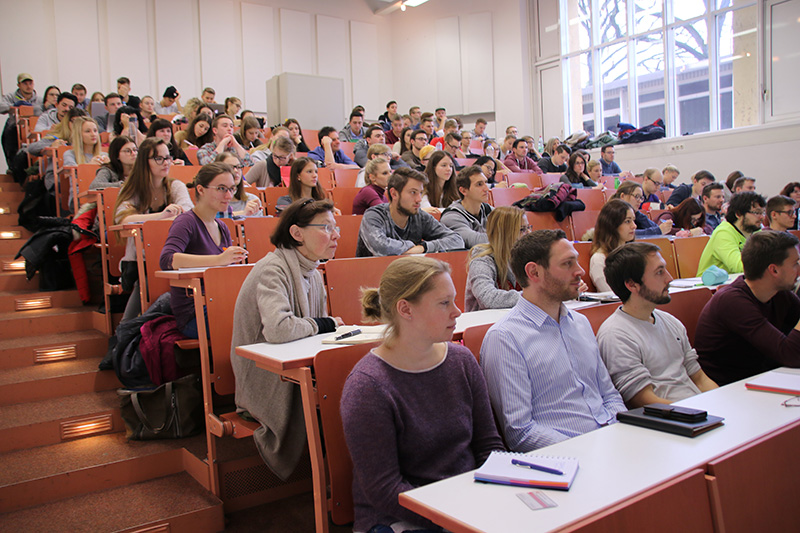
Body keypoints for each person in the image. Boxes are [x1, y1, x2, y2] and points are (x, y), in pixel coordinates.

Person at [342, 256, 504, 533]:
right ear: (405, 309)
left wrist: (492, 498)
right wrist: (456, 520)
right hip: (401, 516)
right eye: (444, 303)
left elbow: (489, 446)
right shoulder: (368, 386)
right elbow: (384, 489)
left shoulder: (461, 360)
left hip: (466, 504)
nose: (457, 311)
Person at [481, 229, 625, 451]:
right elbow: (520, 432)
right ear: (534, 272)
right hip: (566, 459)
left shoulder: (581, 323)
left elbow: (610, 396)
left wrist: (619, 434)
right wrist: (588, 449)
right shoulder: (505, 338)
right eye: (568, 264)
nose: (580, 271)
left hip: (612, 442)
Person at [598, 242, 718, 407]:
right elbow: (644, 401)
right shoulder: (616, 335)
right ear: (632, 285)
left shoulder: (670, 321)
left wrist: (722, 403)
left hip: (698, 410)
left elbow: (700, 379)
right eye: (659, 272)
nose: (669, 278)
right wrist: (698, 413)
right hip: (673, 421)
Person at [696, 231, 800, 386]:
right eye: (795, 263)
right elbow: (789, 354)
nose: (798, 269)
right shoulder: (732, 302)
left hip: (761, 379)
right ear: (774, 270)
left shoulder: (779, 293)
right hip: (727, 391)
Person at [159, 162, 248, 337]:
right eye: (222, 188)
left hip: (218, 303)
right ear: (200, 189)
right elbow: (167, 260)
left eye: (232, 189)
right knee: (252, 322)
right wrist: (219, 260)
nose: (229, 195)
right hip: (194, 313)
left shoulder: (222, 226)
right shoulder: (186, 222)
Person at [113, 138, 193, 321]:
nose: (166, 163)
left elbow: (187, 215)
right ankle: (127, 333)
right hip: (140, 260)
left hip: (176, 255)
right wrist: (159, 217)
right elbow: (122, 218)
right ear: (144, 162)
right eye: (159, 159)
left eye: (168, 157)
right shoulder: (132, 188)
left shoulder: (175, 186)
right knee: (147, 280)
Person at [356, 167, 464, 257]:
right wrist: (411, 246)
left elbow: (457, 240)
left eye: (420, 193)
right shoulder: (373, 216)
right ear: (394, 194)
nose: (419, 199)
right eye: (413, 192)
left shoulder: (419, 216)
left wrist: (423, 247)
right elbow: (380, 247)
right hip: (371, 278)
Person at [465, 206, 528, 311]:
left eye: (529, 227)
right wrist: (532, 297)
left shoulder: (527, 255)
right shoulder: (482, 260)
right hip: (486, 323)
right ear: (504, 233)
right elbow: (487, 297)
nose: (529, 234)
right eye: (522, 230)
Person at [696, 191, 766, 276]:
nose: (762, 217)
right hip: (713, 286)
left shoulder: (756, 230)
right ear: (739, 214)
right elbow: (740, 267)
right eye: (757, 213)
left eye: (763, 212)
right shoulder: (724, 233)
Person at [590, 199, 637, 292]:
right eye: (627, 221)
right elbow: (612, 294)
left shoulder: (634, 253)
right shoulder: (599, 259)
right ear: (612, 225)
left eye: (633, 220)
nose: (634, 226)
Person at [441, 166, 493, 248]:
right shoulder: (451, 217)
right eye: (479, 184)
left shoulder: (489, 209)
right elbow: (476, 242)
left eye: (485, 183)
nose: (486, 189)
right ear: (463, 191)